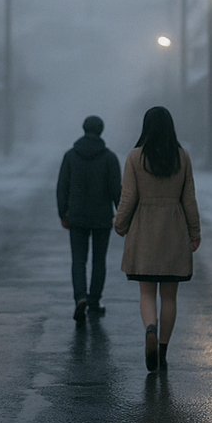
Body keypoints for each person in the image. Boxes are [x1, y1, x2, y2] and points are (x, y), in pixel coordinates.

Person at [113, 106, 200, 372]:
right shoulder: (182, 157)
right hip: (174, 229)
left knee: (147, 293)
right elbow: (189, 199)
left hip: (145, 230)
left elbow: (128, 197)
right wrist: (194, 233)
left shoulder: (135, 157)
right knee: (169, 297)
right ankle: (162, 351)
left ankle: (150, 328)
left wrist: (120, 224)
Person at [56, 115, 122, 323]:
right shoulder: (109, 158)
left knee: (78, 260)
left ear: (84, 129)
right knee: (99, 260)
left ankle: (80, 297)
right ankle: (94, 301)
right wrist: (121, 214)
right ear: (101, 130)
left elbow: (62, 187)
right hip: (102, 217)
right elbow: (117, 190)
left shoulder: (70, 156)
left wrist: (63, 213)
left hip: (76, 217)